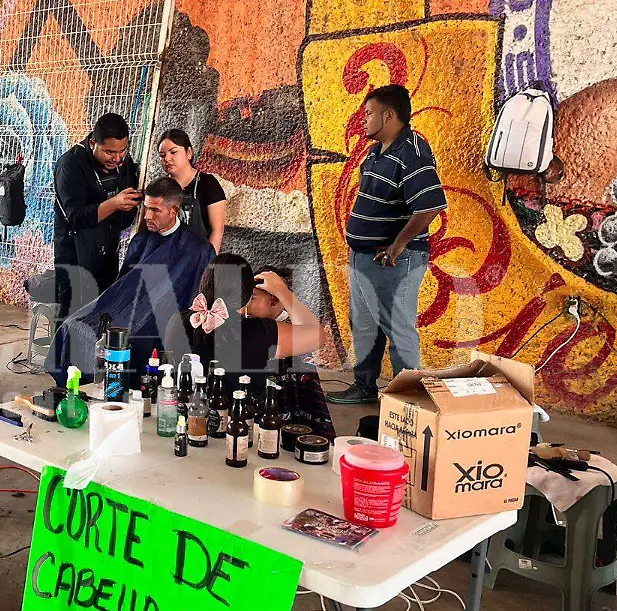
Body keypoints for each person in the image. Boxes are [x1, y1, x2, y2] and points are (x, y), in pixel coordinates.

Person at [327, 84, 448, 405]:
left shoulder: (412, 151)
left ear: (389, 115)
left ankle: (407, 401)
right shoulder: (376, 151)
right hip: (365, 257)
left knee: (398, 329)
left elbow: (430, 205)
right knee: (365, 325)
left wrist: (397, 245)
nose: (363, 120)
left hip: (394, 261)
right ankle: (364, 386)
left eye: (369, 113)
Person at [47, 177, 214, 385]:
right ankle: (73, 388)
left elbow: (196, 298)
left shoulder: (198, 250)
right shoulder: (141, 240)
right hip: (129, 309)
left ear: (174, 210)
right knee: (72, 326)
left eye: (155, 210)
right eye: (146, 208)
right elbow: (123, 286)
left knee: (133, 341)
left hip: (167, 319)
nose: (148, 216)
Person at [163, 254, 325, 399]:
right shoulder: (258, 331)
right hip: (237, 419)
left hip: (179, 414)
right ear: (246, 296)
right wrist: (283, 292)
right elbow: (317, 337)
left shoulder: (177, 320)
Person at [53, 113, 141, 318]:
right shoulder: (71, 164)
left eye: (122, 151)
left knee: (102, 314)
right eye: (109, 152)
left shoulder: (123, 163)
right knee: (72, 318)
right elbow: (75, 218)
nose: (116, 158)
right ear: (93, 143)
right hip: (75, 255)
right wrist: (113, 204)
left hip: (106, 252)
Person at [242, 268, 336, 438]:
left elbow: (315, 336)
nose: (246, 308)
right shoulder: (250, 325)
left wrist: (281, 290)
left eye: (252, 299)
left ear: (274, 299)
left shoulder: (294, 327)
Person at [157, 129, 227, 252]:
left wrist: (208, 260)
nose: (167, 159)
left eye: (173, 152)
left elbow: (217, 231)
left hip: (197, 256)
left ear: (189, 152)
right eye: (162, 155)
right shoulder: (159, 187)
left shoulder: (208, 184)